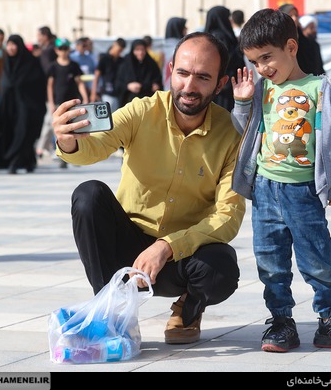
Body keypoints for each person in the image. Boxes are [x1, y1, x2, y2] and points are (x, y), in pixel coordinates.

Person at [52, 32, 246, 345]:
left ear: (220, 84)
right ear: (170, 71)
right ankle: (110, 308)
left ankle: (188, 309)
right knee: (88, 194)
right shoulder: (142, 111)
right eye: (182, 73)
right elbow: (95, 147)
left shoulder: (231, 135)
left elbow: (229, 214)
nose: (189, 86)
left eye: (202, 77)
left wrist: (167, 245)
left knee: (221, 269)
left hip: (179, 258)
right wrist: (68, 141)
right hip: (127, 252)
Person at [230, 8, 331, 353]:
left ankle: (330, 320)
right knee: (270, 261)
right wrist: (242, 103)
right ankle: (281, 322)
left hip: (304, 192)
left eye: (267, 57)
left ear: (291, 47)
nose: (262, 68)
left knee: (317, 258)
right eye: (254, 62)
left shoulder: (323, 90)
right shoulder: (261, 90)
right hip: (265, 190)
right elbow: (243, 133)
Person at [0, 35, 46, 174]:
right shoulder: (7, 62)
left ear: (19, 46)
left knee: (24, 133)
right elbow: (4, 83)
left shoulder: (31, 63)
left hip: (27, 106)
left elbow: (38, 85)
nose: (10, 48)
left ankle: (15, 163)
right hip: (9, 106)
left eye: (13, 45)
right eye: (8, 45)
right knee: (12, 133)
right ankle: (28, 161)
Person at [37, 37, 88, 168]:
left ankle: (73, 156)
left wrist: (85, 97)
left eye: (65, 48)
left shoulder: (73, 66)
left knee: (73, 128)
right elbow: (50, 85)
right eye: (61, 49)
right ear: (56, 50)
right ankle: (43, 150)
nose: (63, 51)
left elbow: (79, 82)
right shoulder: (53, 66)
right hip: (57, 103)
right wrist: (51, 102)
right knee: (51, 126)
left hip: (71, 103)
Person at [204, 5, 245, 111]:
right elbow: (228, 59)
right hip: (224, 87)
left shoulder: (209, 36)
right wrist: (239, 48)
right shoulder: (220, 36)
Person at [278, 3, 325, 76]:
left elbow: (317, 68)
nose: (294, 18)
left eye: (296, 15)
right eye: (290, 15)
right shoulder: (276, 42)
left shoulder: (309, 43)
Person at [115, 38, 162, 107]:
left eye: (142, 49)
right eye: (137, 50)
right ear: (132, 50)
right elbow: (118, 84)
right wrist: (128, 86)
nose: (140, 52)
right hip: (129, 104)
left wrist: (152, 86)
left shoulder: (151, 64)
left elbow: (158, 83)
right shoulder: (125, 64)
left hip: (148, 104)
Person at [90, 37, 127, 112]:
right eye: (118, 50)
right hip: (107, 93)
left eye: (121, 51)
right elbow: (96, 76)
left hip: (119, 93)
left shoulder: (121, 61)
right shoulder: (104, 59)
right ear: (114, 45)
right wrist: (93, 93)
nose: (119, 52)